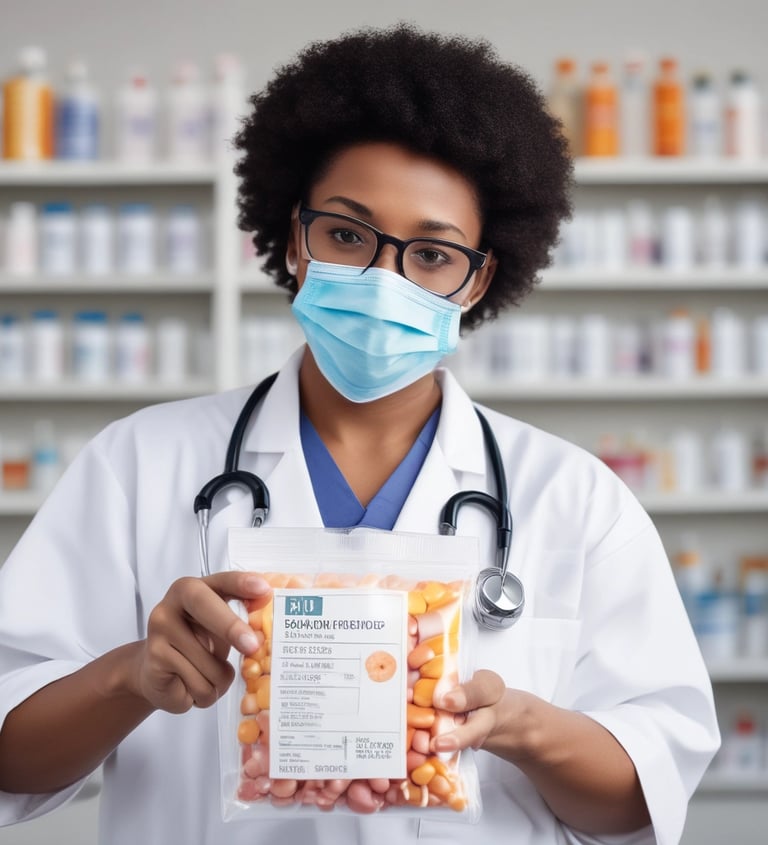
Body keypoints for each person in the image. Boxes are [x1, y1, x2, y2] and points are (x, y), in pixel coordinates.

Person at [0, 24, 718, 845]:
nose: (384, 280)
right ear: (293, 238)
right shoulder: (140, 464)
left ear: (478, 277)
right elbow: (10, 756)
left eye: (432, 255)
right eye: (346, 235)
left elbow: (642, 797)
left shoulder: (573, 497)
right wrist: (127, 676)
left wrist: (524, 726)